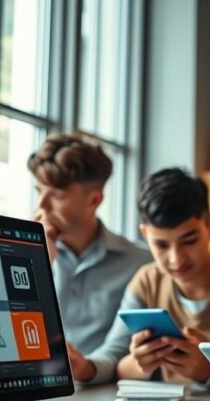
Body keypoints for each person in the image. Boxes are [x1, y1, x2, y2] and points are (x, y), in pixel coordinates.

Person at [75, 168, 210, 386]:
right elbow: (114, 355)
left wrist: (207, 371)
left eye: (189, 241)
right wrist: (87, 367)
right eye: (161, 245)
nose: (176, 259)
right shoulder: (147, 281)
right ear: (145, 235)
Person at [28, 134, 150, 381]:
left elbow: (124, 350)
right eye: (39, 191)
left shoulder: (141, 264)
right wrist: (36, 262)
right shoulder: (25, 255)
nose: (42, 205)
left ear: (94, 200)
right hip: (35, 386)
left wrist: (85, 368)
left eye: (57, 195)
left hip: (101, 391)